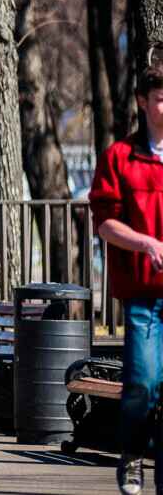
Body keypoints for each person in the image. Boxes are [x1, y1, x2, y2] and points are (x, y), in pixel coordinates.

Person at [88, 66, 163, 495]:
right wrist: (147, 244)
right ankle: (133, 455)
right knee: (142, 381)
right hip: (142, 297)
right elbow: (105, 225)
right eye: (159, 98)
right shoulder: (120, 158)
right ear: (142, 101)